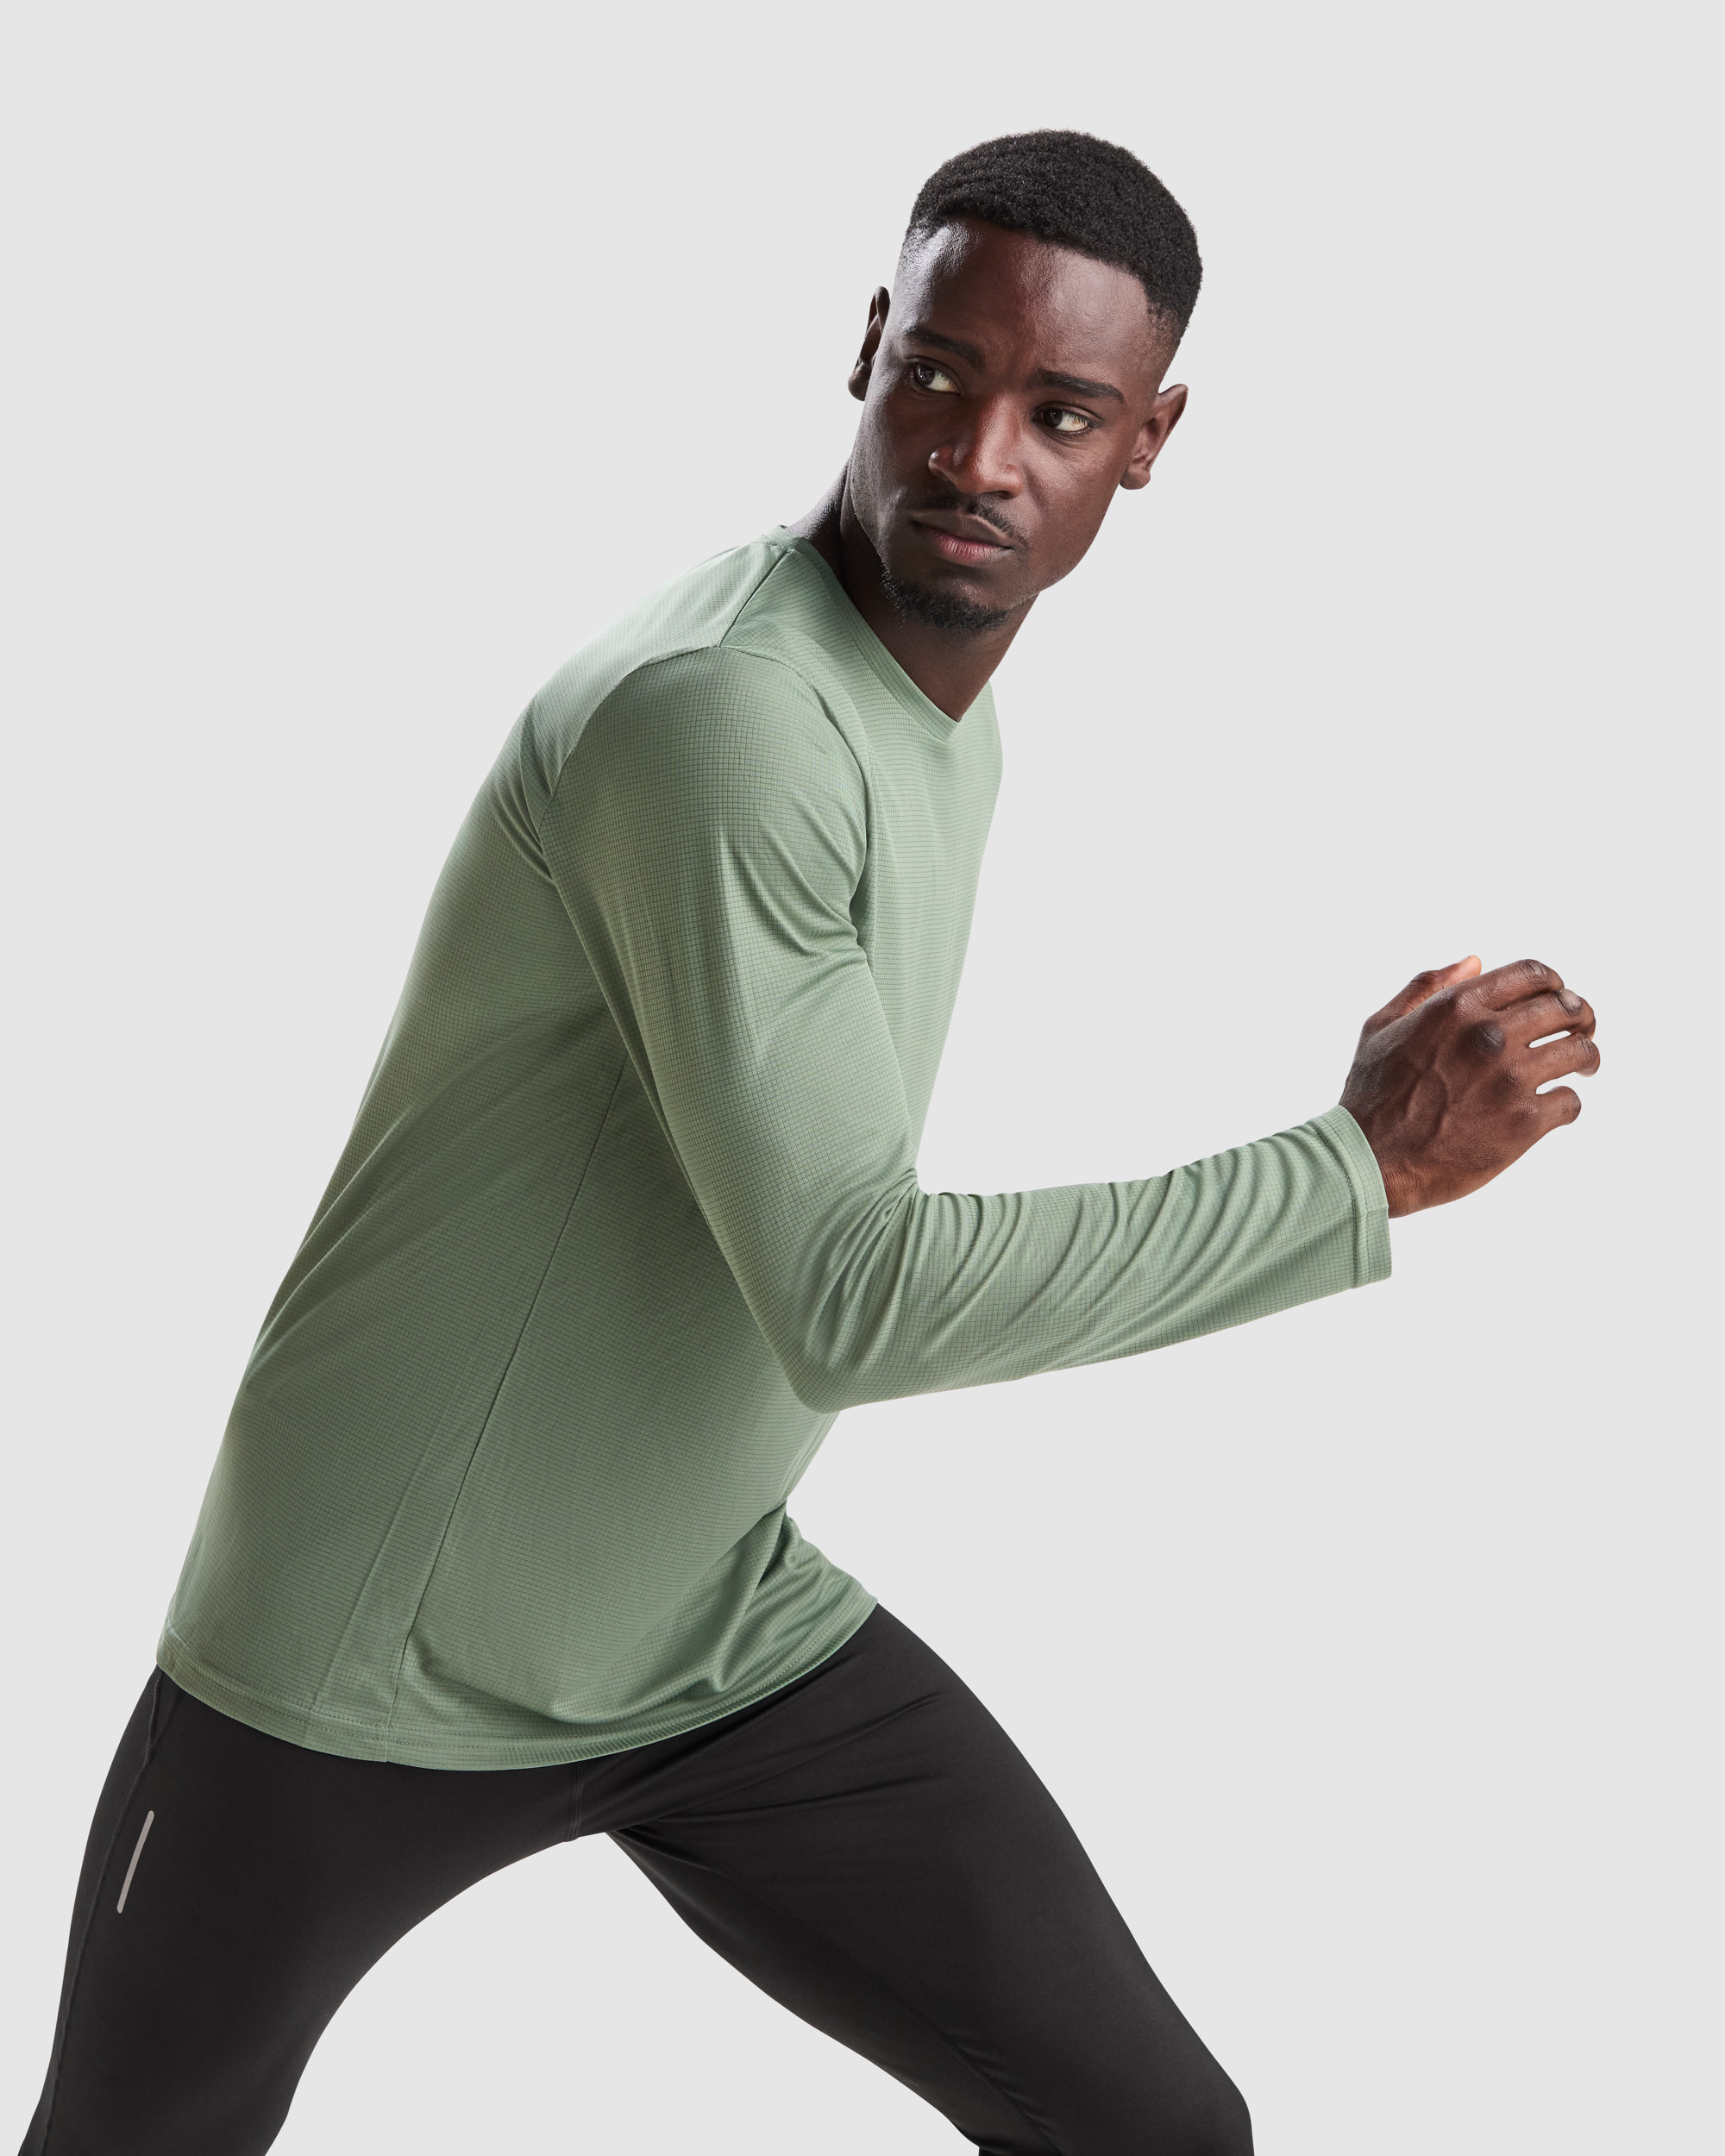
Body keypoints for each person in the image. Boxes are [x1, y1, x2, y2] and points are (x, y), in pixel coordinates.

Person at [20, 129, 1599, 2156]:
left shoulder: (927, 704)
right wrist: (1352, 1170)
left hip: (701, 1623)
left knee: (1153, 2126)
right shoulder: (727, 721)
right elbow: (853, 1289)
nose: (977, 455)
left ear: (1149, 442)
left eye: (1061, 413)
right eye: (937, 374)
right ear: (868, 347)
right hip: (360, 1652)